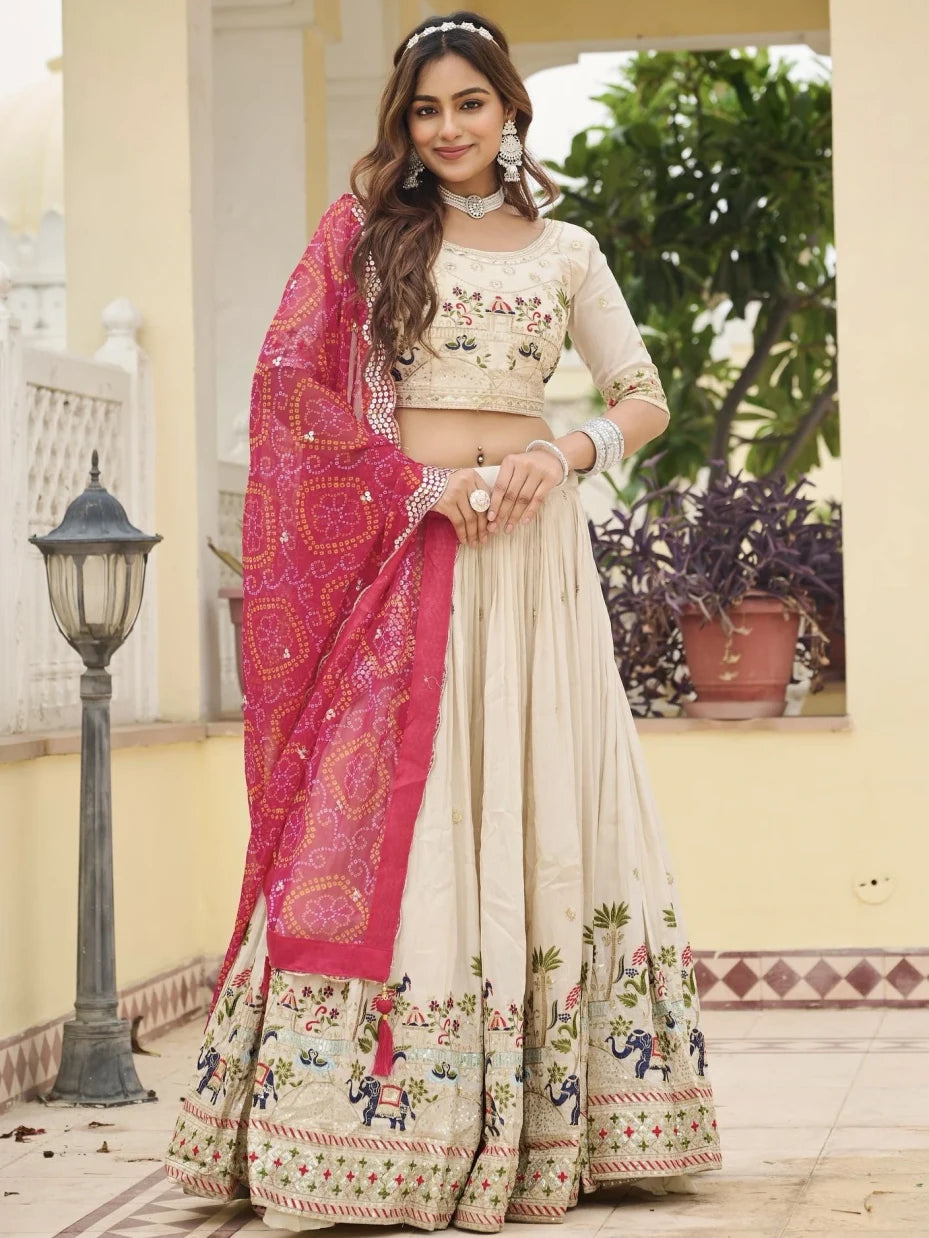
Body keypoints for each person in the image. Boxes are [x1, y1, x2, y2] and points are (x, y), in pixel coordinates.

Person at [165, 11, 721, 1232]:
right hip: (418, 546)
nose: (449, 126)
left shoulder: (566, 249)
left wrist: (563, 451)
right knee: (397, 815)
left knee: (536, 802)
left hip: (534, 562)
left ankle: (557, 1116)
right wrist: (414, 487)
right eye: (425, 109)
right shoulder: (371, 242)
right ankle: (364, 1127)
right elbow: (294, 392)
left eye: (469, 102)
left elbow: (642, 396)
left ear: (509, 108)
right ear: (405, 127)